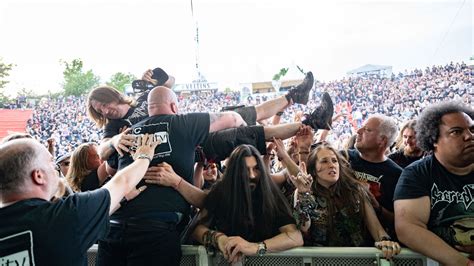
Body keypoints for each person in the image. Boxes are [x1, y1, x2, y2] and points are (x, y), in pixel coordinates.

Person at [96, 86, 246, 266]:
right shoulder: (184, 123)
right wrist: (246, 131)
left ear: (150, 108)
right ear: (174, 106)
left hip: (113, 227)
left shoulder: (127, 134)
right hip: (155, 231)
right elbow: (233, 118)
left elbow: (110, 168)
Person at [0, 135, 159, 266]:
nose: (55, 168)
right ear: (38, 176)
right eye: (50, 162)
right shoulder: (64, 216)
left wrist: (122, 198)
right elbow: (123, 182)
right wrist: (144, 155)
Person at [192, 145, 303, 264]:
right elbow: (197, 228)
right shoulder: (220, 191)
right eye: (245, 169)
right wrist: (219, 239)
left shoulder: (270, 192)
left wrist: (255, 247)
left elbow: (295, 236)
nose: (252, 175)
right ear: (234, 172)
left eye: (256, 168)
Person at [394, 101, 474, 266]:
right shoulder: (416, 174)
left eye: (472, 129)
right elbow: (408, 227)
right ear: (433, 140)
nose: (469, 136)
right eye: (456, 132)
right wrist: (463, 264)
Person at [291, 142, 401, 260]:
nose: (332, 165)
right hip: (321, 259)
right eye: (324, 161)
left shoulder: (355, 190)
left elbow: (377, 229)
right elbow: (304, 227)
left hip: (356, 258)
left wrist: (385, 242)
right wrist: (304, 194)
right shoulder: (304, 192)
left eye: (334, 161)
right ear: (313, 169)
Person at [346, 114, 402, 238]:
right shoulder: (343, 158)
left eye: (367, 130)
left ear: (382, 140)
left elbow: (399, 220)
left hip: (374, 245)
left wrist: (377, 207)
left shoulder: (397, 175)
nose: (358, 131)